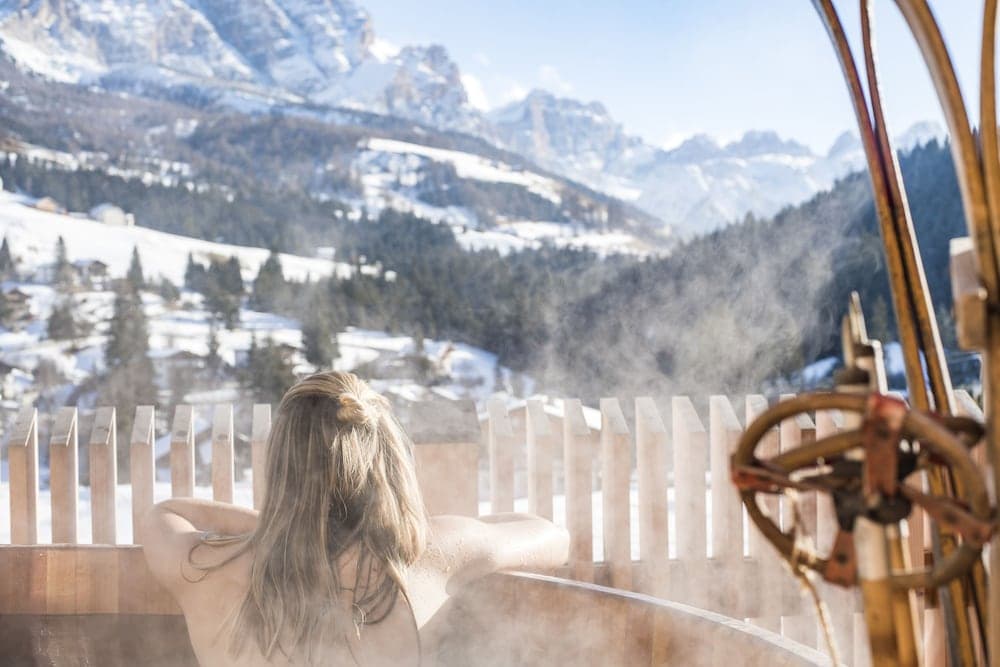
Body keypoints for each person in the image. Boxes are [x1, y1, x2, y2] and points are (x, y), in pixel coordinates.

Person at [139, 371, 569, 666]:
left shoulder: (204, 569)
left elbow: (168, 511)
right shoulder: (433, 554)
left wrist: (287, 527)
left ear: (280, 464)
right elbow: (552, 536)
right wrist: (425, 527)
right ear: (391, 460)